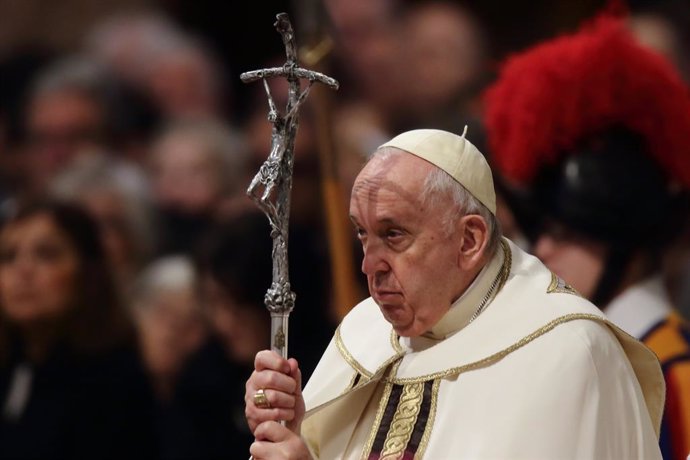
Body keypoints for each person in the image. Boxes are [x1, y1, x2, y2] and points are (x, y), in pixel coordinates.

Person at [244, 128, 664, 459]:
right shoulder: (365, 332)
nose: (369, 265)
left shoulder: (565, 353)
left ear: (469, 240)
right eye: (362, 234)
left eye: (394, 235)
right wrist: (288, 431)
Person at [483, 14, 690, 460]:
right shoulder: (582, 356)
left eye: (566, 233)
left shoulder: (674, 376)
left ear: (621, 239)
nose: (543, 250)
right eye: (541, 232)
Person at [0, 200, 157, 459]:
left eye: (46, 254)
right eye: (8, 256)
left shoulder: (116, 381)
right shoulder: (14, 363)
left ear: (88, 271)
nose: (22, 270)